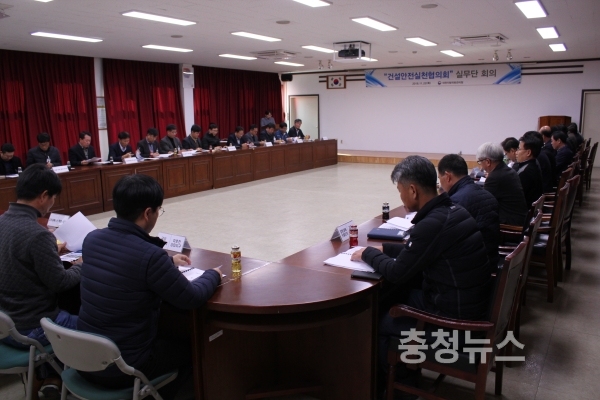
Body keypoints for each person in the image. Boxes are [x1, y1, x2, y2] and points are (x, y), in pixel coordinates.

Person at [350, 156, 491, 399]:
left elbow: (397, 272)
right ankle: (407, 370)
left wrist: (368, 253)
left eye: (400, 191)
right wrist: (386, 249)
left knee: (376, 321)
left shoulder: (432, 223)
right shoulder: (453, 210)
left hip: (455, 322)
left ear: (413, 190)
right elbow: (420, 251)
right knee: (395, 297)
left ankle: (398, 388)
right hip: (465, 303)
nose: (401, 197)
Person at [77, 174, 222, 399]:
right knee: (195, 347)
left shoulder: (92, 239)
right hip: (123, 367)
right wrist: (213, 274)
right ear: (147, 213)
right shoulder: (150, 255)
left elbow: (125, 261)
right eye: (158, 211)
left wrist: (168, 261)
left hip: (83, 358)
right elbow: (191, 297)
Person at [0, 164, 81, 346]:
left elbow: (18, 257)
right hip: (32, 328)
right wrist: (81, 265)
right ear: (44, 196)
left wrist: (49, 252)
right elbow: (61, 283)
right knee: (100, 326)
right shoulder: (39, 235)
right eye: (53, 197)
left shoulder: (2, 221)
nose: (53, 203)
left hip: (5, 324)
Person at [437, 154, 500, 267]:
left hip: (474, 267)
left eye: (439, 178)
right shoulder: (487, 194)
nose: (440, 184)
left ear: (447, 176)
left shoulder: (455, 202)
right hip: (491, 258)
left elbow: (445, 241)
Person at [477, 142, 528, 226]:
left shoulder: (494, 177)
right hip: (520, 218)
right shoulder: (508, 170)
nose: (481, 166)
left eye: (480, 161)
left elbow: (483, 203)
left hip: (511, 224)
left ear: (488, 162)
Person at [515, 133, 544, 208]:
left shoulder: (526, 172)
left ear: (528, 152)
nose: (516, 152)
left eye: (519, 149)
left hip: (524, 210)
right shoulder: (534, 164)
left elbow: (516, 197)